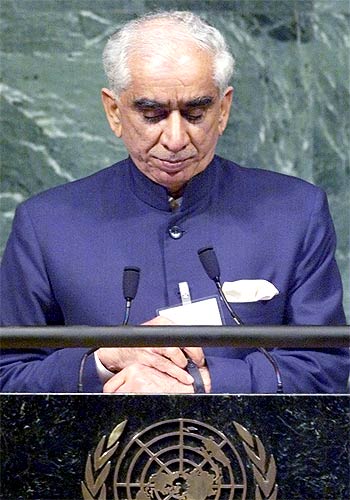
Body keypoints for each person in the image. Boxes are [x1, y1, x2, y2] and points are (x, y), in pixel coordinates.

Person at [0, 11, 348, 394]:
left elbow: (327, 366)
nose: (176, 138)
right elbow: (8, 374)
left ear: (224, 110)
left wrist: (202, 382)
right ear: (114, 112)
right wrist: (102, 363)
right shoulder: (46, 225)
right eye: (152, 115)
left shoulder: (295, 212)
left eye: (196, 113)